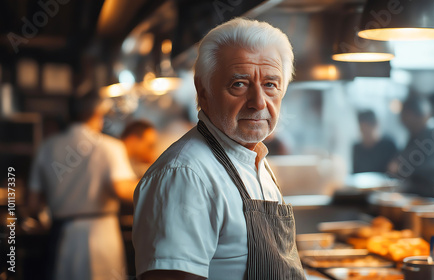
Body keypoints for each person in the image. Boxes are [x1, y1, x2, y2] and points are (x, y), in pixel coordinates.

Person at [132, 18, 305, 280]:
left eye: (270, 84)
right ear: (203, 92)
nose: (258, 102)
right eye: (239, 84)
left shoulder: (254, 160)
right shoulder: (186, 175)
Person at [27, 92, 138, 280]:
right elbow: (121, 189)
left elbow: (32, 203)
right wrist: (155, 186)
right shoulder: (109, 146)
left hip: (61, 236)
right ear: (97, 112)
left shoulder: (47, 147)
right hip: (100, 236)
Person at [390, 95, 434, 198]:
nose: (401, 121)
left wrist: (402, 167)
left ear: (411, 115)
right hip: (415, 199)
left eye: (404, 116)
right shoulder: (413, 138)